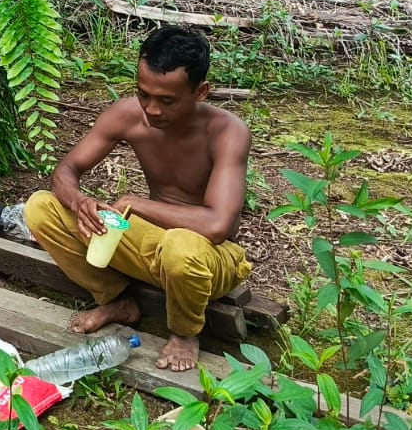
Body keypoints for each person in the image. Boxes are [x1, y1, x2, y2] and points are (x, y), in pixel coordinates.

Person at [23, 25, 251, 372]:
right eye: (144, 94)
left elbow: (219, 225)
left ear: (201, 91)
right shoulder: (128, 115)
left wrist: (137, 202)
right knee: (41, 208)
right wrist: (80, 202)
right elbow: (66, 170)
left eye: (167, 100)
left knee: (180, 247)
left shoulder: (227, 132)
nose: (152, 109)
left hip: (207, 257)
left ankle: (185, 332)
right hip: (151, 243)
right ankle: (117, 301)